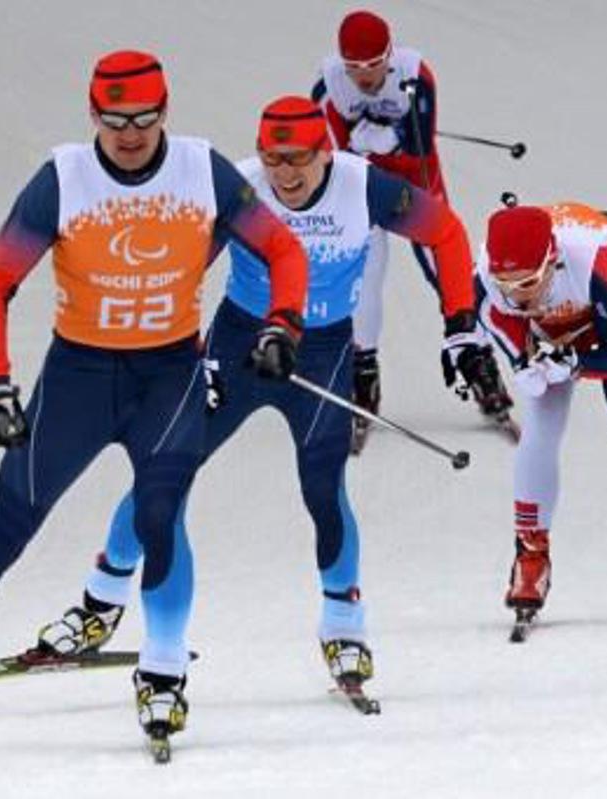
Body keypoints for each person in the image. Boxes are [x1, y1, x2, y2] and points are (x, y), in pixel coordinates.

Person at [0, 50, 308, 748]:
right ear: (94, 114)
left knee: (161, 516)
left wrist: (284, 322)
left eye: (145, 119)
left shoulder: (200, 168)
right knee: (9, 523)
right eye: (115, 119)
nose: (130, 134)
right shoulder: (65, 177)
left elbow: (282, 250)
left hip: (170, 374)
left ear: (166, 112)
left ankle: (162, 669)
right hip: (80, 378)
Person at [32, 96, 482, 698]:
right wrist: (178, 356)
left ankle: (344, 625)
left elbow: (448, 234)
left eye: (297, 159)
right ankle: (101, 601)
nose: (284, 175)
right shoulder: (238, 186)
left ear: (327, 152)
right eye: (273, 159)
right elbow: (180, 271)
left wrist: (459, 325)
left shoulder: (364, 187)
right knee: (168, 468)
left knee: (324, 490)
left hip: (322, 354)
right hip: (239, 346)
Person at [477, 203, 607, 620]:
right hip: (552, 328)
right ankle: (530, 554)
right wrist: (526, 363)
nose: (518, 295)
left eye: (527, 282)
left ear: (552, 261)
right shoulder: (486, 280)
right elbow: (500, 322)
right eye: (507, 285)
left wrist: (576, 363)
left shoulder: (599, 266)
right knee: (540, 425)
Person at [312, 9, 512, 448]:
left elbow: (419, 156)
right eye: (354, 68)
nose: (363, 77)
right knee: (364, 280)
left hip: (415, 191)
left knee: (450, 278)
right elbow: (335, 160)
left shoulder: (415, 76)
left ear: (389, 55)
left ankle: (477, 360)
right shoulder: (328, 87)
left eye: (372, 66)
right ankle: (363, 371)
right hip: (362, 193)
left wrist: (382, 142)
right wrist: (372, 145)